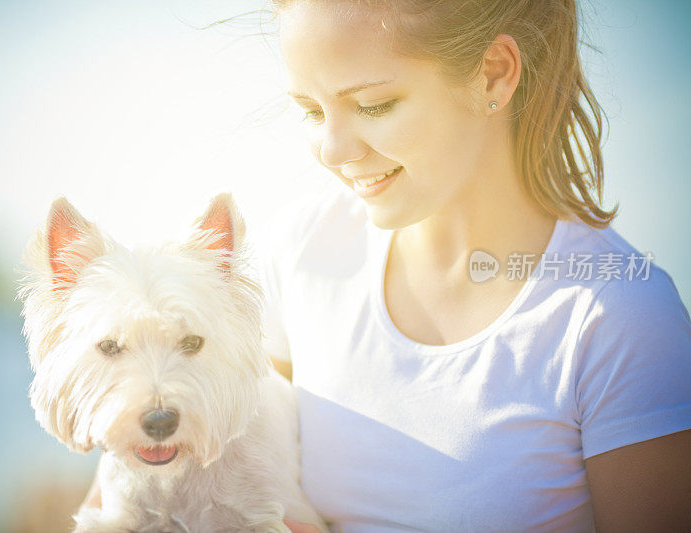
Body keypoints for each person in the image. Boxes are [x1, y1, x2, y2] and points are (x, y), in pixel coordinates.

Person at [81, 1, 691, 531]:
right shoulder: (299, 254)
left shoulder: (621, 319)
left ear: (494, 75)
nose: (332, 150)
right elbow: (156, 479)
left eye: (374, 105)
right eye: (314, 112)